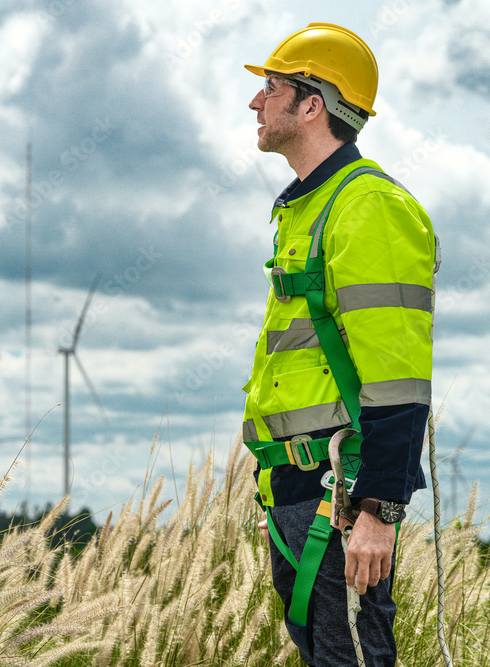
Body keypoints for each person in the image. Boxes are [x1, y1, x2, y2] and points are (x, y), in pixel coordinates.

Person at [240, 23, 437, 666]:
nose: (255, 104)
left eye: (270, 88)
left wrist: (379, 508)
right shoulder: (307, 208)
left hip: (342, 499)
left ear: (311, 104)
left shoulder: (367, 207)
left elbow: (398, 375)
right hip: (295, 491)